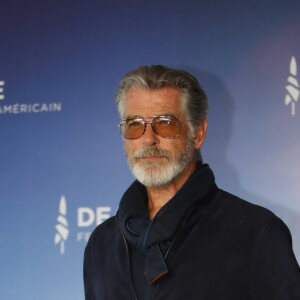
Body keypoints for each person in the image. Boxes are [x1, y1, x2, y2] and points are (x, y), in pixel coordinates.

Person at [83, 65, 300, 299]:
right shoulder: (102, 244)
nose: (148, 139)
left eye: (165, 123)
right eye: (134, 124)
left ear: (198, 134)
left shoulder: (256, 233)